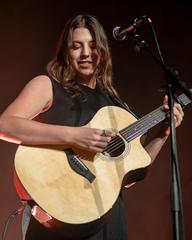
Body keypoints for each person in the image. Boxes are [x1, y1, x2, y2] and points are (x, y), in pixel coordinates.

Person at [0, 14, 184, 240]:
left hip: (108, 220)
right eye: (76, 46)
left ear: (103, 52)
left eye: (93, 46)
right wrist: (75, 136)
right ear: (66, 52)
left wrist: (163, 133)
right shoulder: (47, 85)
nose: (86, 53)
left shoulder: (116, 106)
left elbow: (130, 174)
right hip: (60, 217)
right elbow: (5, 125)